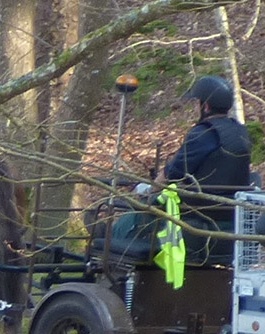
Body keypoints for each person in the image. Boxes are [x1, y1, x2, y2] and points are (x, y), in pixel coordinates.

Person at [107, 75, 255, 265]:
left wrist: (147, 191)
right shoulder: (241, 132)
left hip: (194, 215)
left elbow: (171, 174)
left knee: (129, 220)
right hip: (229, 216)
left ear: (205, 106)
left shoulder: (203, 133)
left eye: (196, 102)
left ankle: (104, 240)